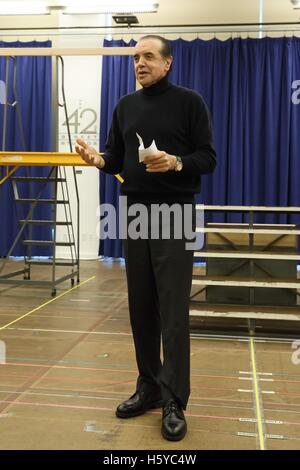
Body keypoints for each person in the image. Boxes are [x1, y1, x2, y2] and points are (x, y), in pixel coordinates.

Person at [75, 35, 216, 441]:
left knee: (172, 312)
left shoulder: (190, 103)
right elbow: (115, 159)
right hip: (135, 212)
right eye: (136, 57)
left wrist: (175, 162)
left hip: (175, 213)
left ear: (167, 63)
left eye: (149, 56)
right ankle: (149, 386)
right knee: (141, 308)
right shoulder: (124, 106)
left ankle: (175, 400)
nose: (140, 63)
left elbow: (208, 158)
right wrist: (97, 160)